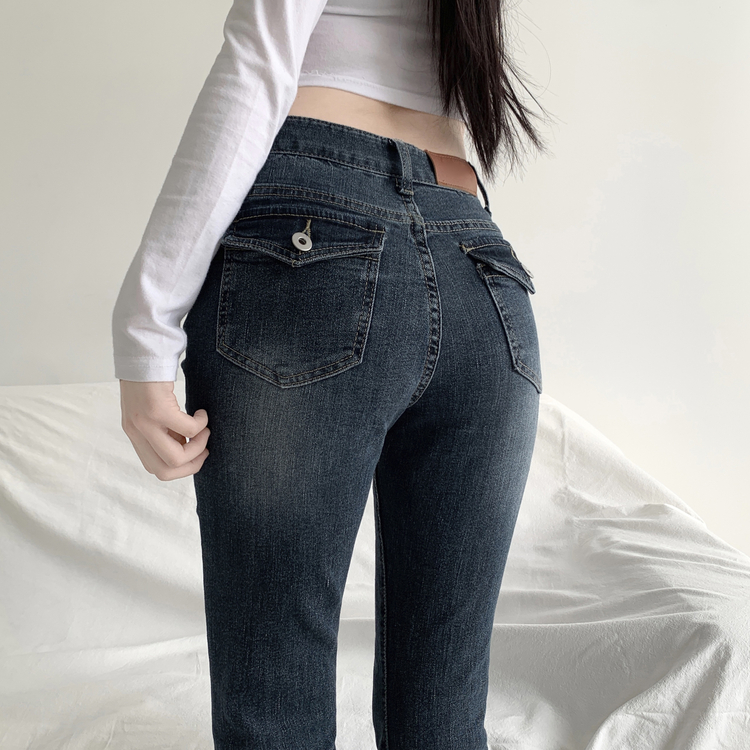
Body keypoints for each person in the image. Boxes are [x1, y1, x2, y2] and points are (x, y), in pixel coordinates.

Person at [113, 0, 551, 747]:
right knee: (444, 721)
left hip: (313, 240)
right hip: (481, 269)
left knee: (274, 708)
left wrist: (143, 333)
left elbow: (259, 63)